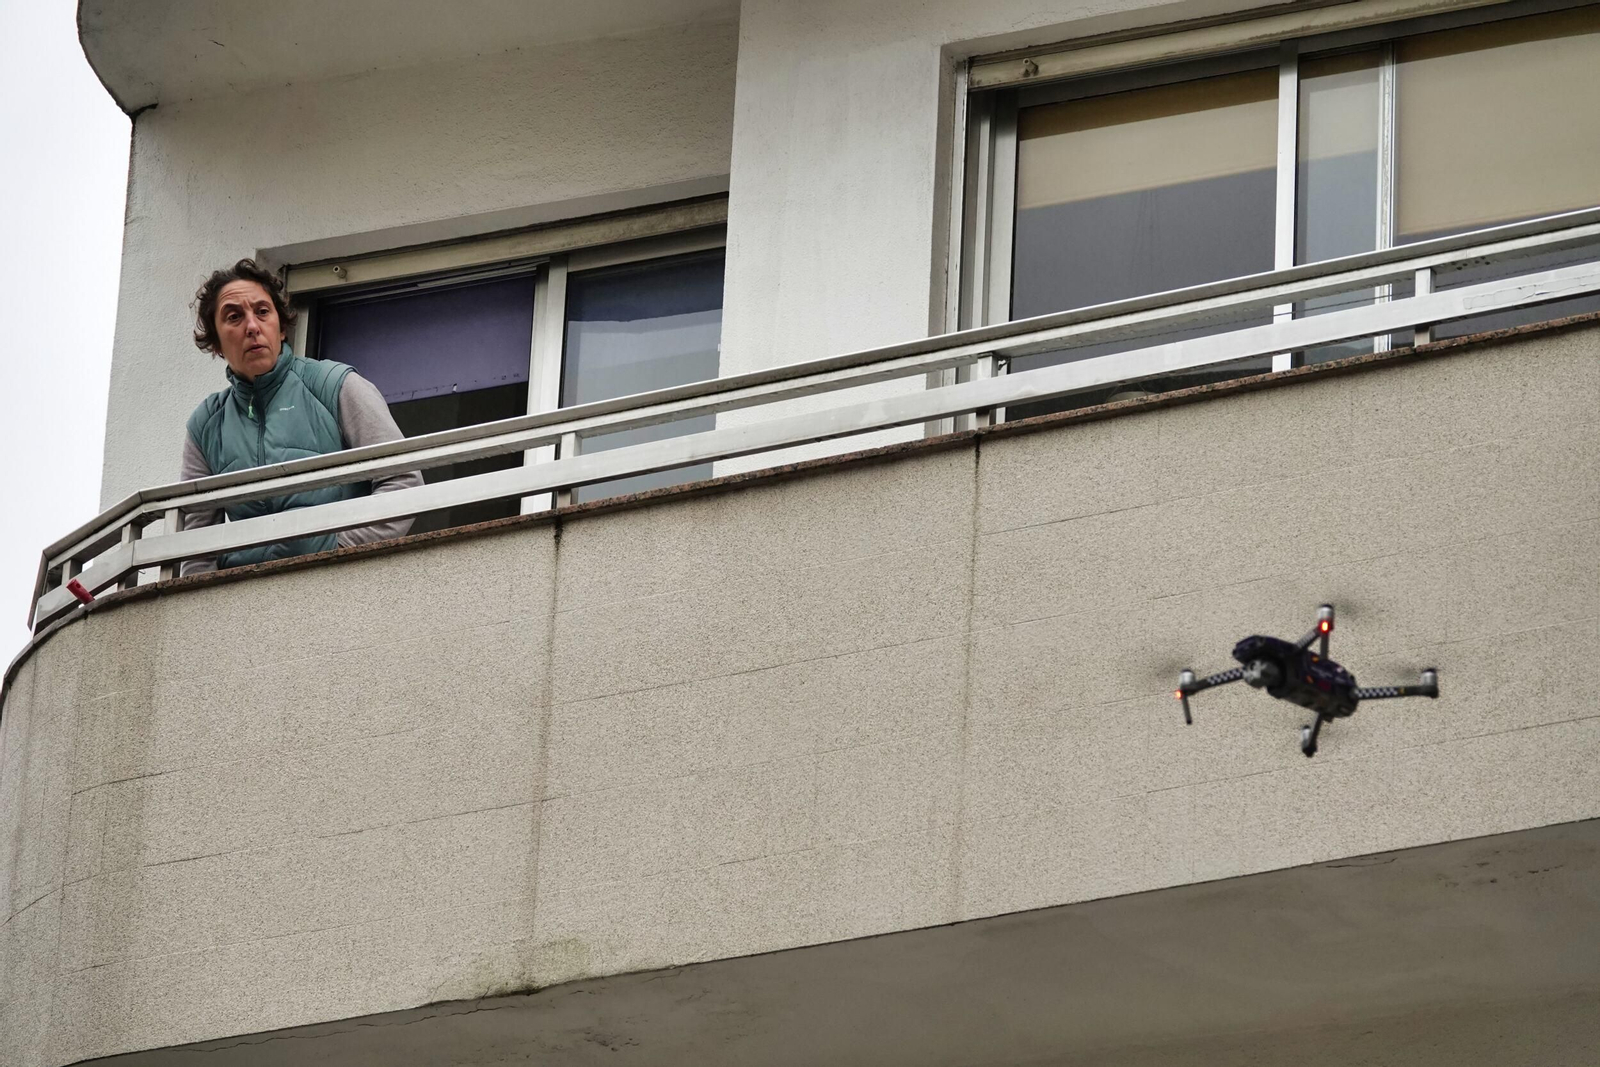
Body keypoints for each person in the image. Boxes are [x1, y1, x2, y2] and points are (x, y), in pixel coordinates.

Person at [178, 259, 422, 575]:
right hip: (245, 603)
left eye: (263, 312)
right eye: (234, 317)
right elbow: (196, 549)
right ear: (216, 343)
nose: (252, 326)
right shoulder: (205, 426)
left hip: (339, 586)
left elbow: (403, 481)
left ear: (281, 329)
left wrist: (337, 552)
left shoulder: (335, 385)